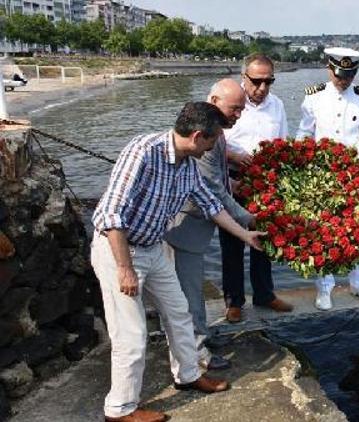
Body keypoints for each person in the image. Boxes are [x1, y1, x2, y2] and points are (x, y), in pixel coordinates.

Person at [91, 101, 265, 422]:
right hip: (119, 249)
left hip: (153, 247)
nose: (213, 148)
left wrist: (245, 235)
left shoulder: (188, 165)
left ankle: (187, 375)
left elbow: (212, 205)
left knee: (180, 312)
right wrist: (125, 267)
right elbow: (110, 214)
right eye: (212, 142)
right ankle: (120, 409)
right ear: (198, 136)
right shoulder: (143, 151)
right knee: (130, 334)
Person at [164, 79, 251, 372]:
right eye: (235, 108)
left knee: (194, 286)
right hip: (184, 224)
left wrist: (233, 181)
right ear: (214, 100)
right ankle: (197, 352)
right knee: (186, 292)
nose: (239, 114)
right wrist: (248, 219)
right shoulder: (204, 134)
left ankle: (201, 334)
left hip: (198, 224)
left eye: (242, 109)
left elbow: (218, 177)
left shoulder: (217, 132)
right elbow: (211, 188)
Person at [296, 47, 359, 310]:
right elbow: (304, 135)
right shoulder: (314, 98)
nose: (344, 80)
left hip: (353, 177)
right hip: (320, 176)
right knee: (321, 233)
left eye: (350, 75)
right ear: (329, 69)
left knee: (356, 231)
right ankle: (324, 289)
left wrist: (356, 173)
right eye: (340, 74)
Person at [221, 53, 293, 322]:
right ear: (244, 77)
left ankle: (264, 294)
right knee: (232, 242)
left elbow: (283, 143)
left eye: (268, 81)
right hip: (233, 179)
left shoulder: (277, 106)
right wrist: (233, 156)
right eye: (256, 81)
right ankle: (234, 301)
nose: (262, 88)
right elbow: (210, 142)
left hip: (266, 182)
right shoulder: (227, 100)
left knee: (264, 240)